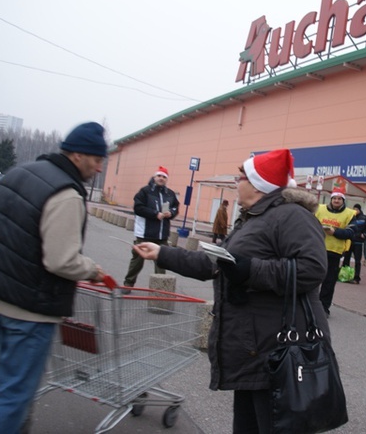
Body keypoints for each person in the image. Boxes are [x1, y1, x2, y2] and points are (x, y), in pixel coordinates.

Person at [132, 149, 330, 432]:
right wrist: (162, 254)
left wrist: (250, 269)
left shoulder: (292, 216)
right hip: (254, 348)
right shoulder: (254, 218)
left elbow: (312, 269)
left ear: (258, 183)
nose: (236, 181)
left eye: (241, 176)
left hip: (279, 350)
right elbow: (216, 263)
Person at [0, 122, 108, 433]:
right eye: (96, 159)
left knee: (10, 385)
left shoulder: (21, 172)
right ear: (78, 155)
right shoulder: (66, 194)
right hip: (29, 309)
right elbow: (61, 261)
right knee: (12, 397)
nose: (99, 167)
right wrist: (92, 270)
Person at [123, 166, 179, 288]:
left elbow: (175, 207)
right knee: (137, 261)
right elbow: (138, 208)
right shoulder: (144, 191)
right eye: (159, 176)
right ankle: (128, 283)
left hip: (162, 235)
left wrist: (171, 213)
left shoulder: (170, 194)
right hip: (144, 234)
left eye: (164, 177)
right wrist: (155, 214)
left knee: (161, 262)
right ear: (154, 177)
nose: (161, 178)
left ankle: (160, 288)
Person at [316, 192, 356, 315]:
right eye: (334, 198)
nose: (337, 201)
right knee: (312, 278)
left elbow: (351, 233)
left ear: (343, 201)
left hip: (335, 252)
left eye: (339, 199)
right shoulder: (319, 209)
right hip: (317, 249)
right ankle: (309, 305)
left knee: (329, 281)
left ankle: (323, 307)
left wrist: (335, 232)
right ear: (331, 199)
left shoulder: (349, 214)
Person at [346, 203, 366, 284]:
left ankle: (356, 278)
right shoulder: (350, 217)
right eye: (354, 209)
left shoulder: (364, 219)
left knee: (357, 261)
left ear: (359, 210)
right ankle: (345, 276)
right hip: (349, 241)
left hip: (358, 242)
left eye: (356, 209)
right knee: (346, 259)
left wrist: (365, 234)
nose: (355, 211)